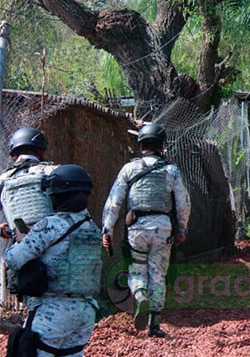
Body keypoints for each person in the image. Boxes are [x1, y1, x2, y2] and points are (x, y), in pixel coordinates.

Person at [101, 123, 191, 337]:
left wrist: (107, 229)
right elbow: (183, 202)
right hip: (162, 227)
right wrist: (182, 228)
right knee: (158, 273)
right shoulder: (171, 170)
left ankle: (140, 296)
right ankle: (155, 324)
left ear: (141, 145)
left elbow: (114, 202)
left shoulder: (129, 169)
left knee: (137, 269)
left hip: (136, 229)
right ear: (162, 146)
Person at [5, 164, 102, 356]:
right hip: (86, 311)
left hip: (52, 311)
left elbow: (13, 260)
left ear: (56, 195)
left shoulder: (50, 225)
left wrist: (20, 240)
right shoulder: (93, 230)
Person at [0, 128, 58, 239]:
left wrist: (2, 230)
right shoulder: (54, 172)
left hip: (21, 247)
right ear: (41, 151)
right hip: (55, 243)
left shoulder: (3, 179)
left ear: (14, 154)